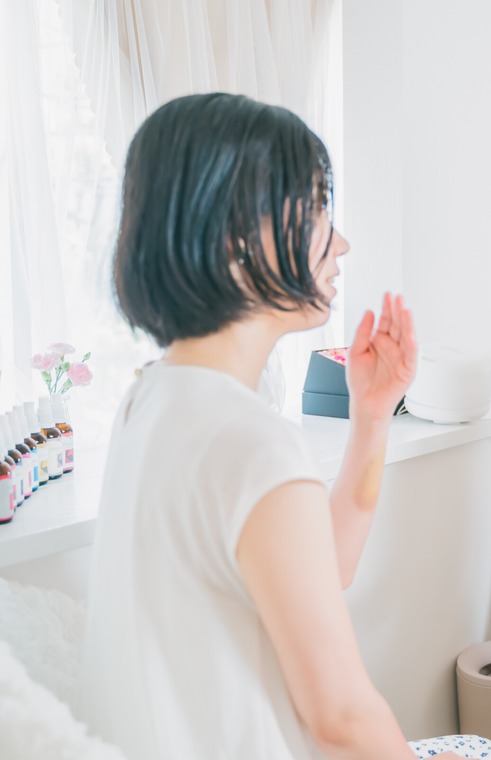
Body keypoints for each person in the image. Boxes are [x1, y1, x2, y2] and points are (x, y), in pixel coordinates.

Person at [81, 93, 471, 759]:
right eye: (319, 208)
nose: (340, 242)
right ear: (238, 232)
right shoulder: (246, 440)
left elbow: (329, 566)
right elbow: (342, 719)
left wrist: (371, 417)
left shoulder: (150, 400)